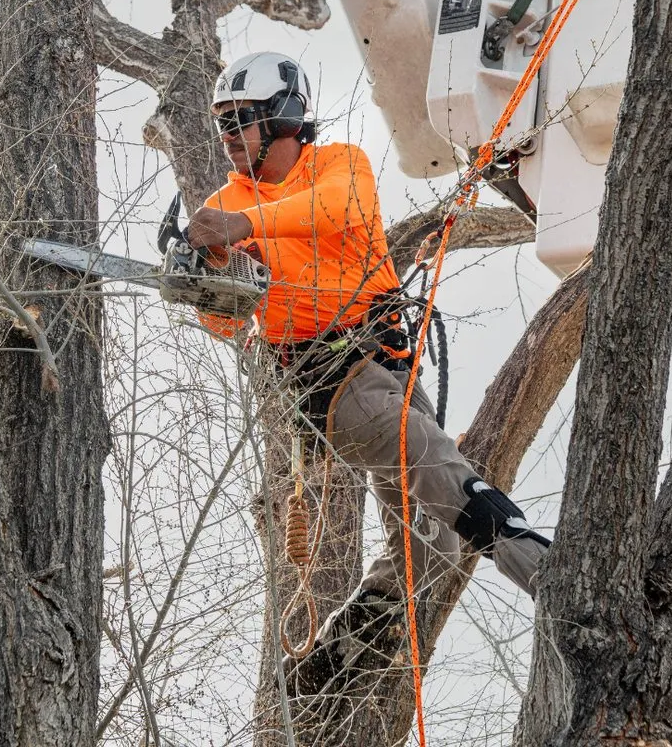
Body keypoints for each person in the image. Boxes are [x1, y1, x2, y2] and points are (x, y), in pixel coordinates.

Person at [187, 51, 549, 696]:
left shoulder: (338, 166)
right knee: (442, 472)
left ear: (283, 118)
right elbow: (221, 323)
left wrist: (244, 228)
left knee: (430, 543)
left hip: (389, 366)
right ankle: (556, 578)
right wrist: (215, 275)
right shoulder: (225, 201)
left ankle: (342, 648)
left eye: (240, 119)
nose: (229, 135)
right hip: (331, 384)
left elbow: (333, 209)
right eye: (221, 123)